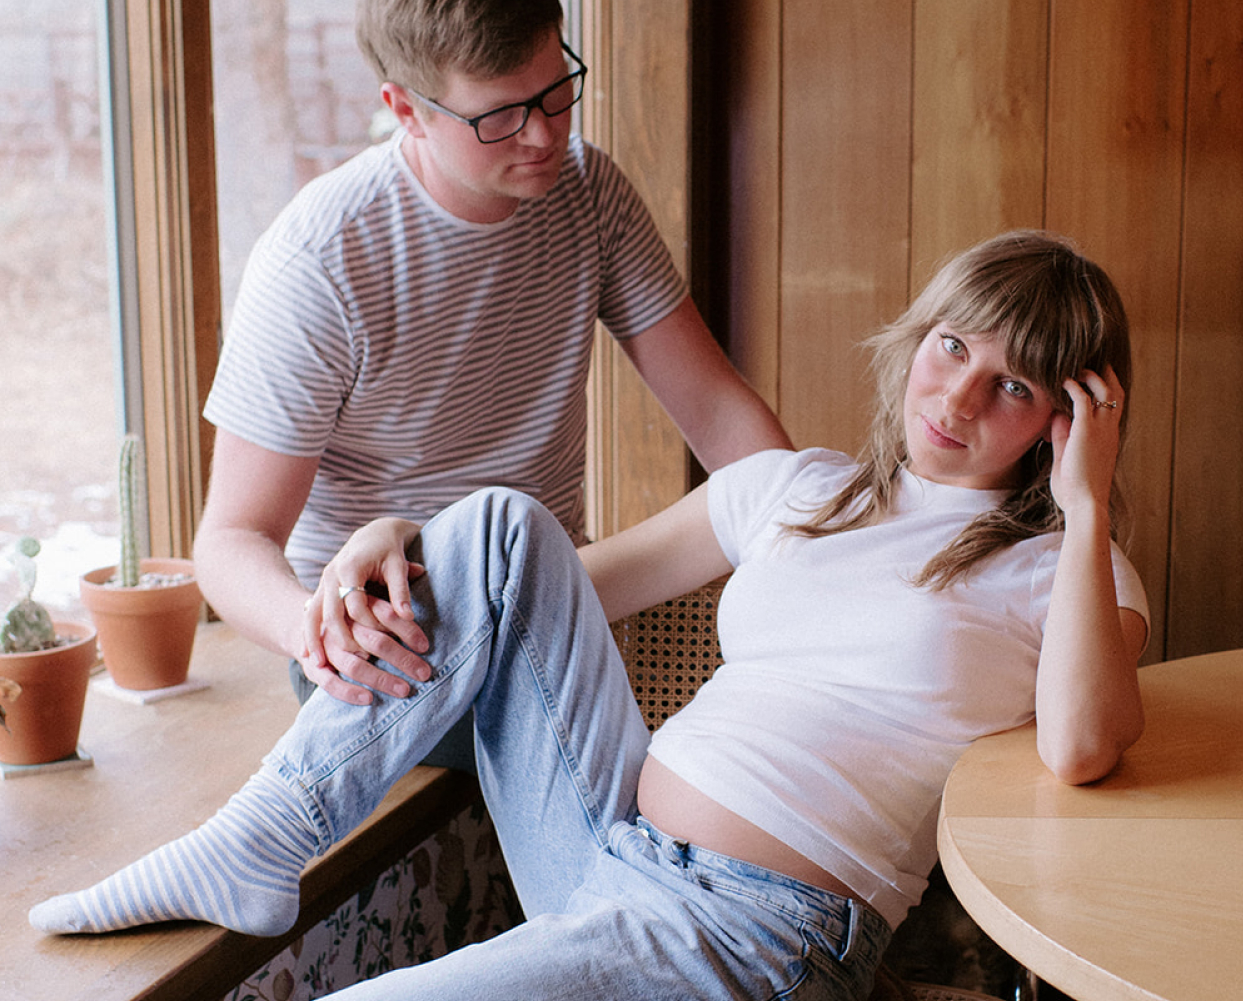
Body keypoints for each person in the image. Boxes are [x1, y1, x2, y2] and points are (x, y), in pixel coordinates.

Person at [33, 231, 1149, 1001]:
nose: (956, 396)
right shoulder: (795, 485)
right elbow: (545, 576)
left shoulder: (1066, 569)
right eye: (953, 346)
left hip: (758, 935)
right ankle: (263, 836)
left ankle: (255, 845)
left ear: (1065, 421)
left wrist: (1087, 503)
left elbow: (1082, 744)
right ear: (918, 337)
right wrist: (406, 537)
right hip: (605, 843)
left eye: (1012, 386)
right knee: (501, 521)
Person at [193, 0, 791, 751]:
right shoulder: (323, 260)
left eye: (554, 92)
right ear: (405, 109)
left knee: (776, 519)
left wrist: (808, 542)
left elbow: (718, 412)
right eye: (500, 116)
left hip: (558, 603)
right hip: (397, 642)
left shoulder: (589, 192)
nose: (544, 134)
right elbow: (230, 540)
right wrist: (319, 633)